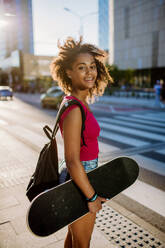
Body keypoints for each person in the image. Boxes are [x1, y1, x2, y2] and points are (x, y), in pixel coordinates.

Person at [50, 37, 113, 248]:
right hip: (78, 181)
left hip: (80, 178)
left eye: (93, 67)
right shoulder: (74, 108)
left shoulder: (75, 102)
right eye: (82, 67)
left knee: (74, 240)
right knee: (82, 244)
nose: (90, 72)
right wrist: (92, 196)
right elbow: (72, 160)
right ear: (68, 72)